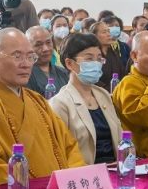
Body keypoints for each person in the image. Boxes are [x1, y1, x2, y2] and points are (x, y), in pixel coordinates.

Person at [0, 28, 84, 184]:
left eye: (30, 57)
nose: (26, 64)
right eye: (17, 56)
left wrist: (73, 181)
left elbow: (69, 146)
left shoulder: (37, 101)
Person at [49, 33, 123, 164]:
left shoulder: (103, 95)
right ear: (70, 63)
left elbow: (120, 136)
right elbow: (60, 150)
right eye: (89, 59)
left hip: (115, 168)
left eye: (99, 59)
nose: (96, 64)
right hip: (84, 174)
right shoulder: (60, 103)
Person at [25, 25, 70, 95]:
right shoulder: (24, 75)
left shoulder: (63, 73)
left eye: (48, 42)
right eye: (38, 45)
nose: (45, 49)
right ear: (28, 47)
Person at [88, 19, 130, 91]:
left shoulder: (113, 53)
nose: (109, 34)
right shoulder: (91, 56)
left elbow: (123, 73)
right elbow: (92, 79)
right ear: (94, 36)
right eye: (104, 32)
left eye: (109, 31)